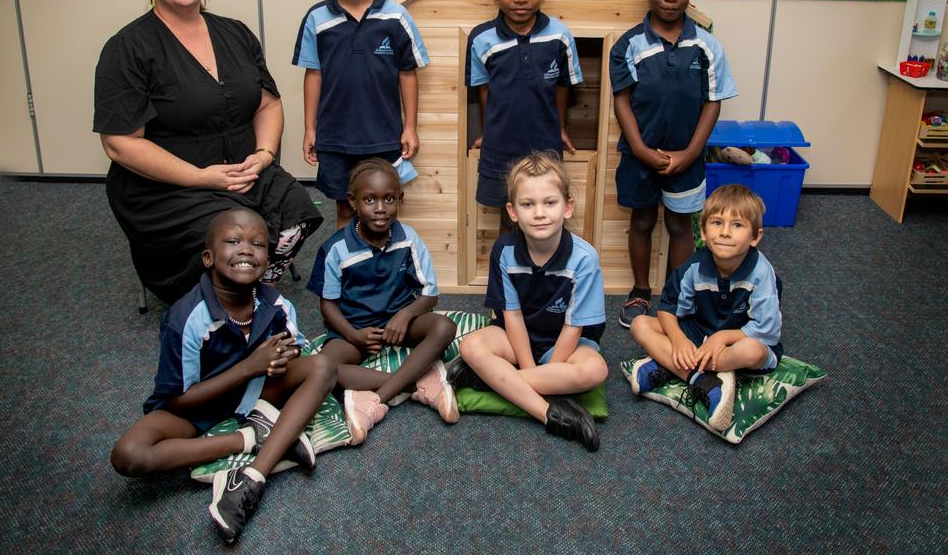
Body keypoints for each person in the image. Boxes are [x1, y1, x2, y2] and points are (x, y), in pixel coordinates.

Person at [94, 0, 322, 303]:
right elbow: (119, 144)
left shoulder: (235, 33)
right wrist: (201, 178)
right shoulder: (128, 48)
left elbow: (268, 103)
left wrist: (264, 155)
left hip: (241, 170)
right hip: (168, 186)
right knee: (234, 235)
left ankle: (252, 288)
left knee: (300, 211)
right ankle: (227, 304)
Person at [110, 209, 338, 544]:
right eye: (233, 241)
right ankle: (251, 439)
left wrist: (282, 358)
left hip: (256, 393)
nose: (246, 249)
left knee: (324, 366)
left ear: (268, 258)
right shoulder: (186, 317)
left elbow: (296, 350)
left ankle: (252, 478)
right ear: (208, 257)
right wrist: (251, 366)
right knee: (128, 454)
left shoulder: (277, 305)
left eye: (258, 244)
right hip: (193, 409)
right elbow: (179, 399)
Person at [610, 0, 737, 328]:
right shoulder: (628, 45)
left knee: (681, 226)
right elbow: (622, 101)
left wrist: (690, 152)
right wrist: (639, 148)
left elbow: (712, 103)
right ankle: (640, 292)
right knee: (643, 222)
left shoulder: (707, 46)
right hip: (640, 158)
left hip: (687, 159)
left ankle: (677, 296)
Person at [452, 152, 608, 452]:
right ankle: (547, 413)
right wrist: (536, 372)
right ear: (512, 212)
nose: (539, 213)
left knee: (595, 371)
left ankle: (494, 381)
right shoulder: (504, 250)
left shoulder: (585, 258)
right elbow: (511, 316)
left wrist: (537, 370)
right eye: (528, 204)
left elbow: (574, 327)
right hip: (516, 338)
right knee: (471, 346)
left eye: (550, 202)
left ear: (567, 207)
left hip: (567, 343)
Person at [307, 158, 458, 445]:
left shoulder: (408, 238)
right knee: (323, 367)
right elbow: (327, 305)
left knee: (444, 327)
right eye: (369, 200)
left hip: (399, 325)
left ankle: (377, 399)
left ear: (399, 199)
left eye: (389, 199)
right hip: (355, 331)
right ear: (353, 201)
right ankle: (420, 381)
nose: (380, 208)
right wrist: (354, 335)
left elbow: (430, 294)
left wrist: (405, 315)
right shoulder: (335, 248)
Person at [293, 0, 429, 230]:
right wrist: (309, 129)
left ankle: (383, 270)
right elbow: (313, 74)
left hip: (383, 136)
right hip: (335, 138)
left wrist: (410, 127)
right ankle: (347, 269)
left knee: (383, 210)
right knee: (344, 209)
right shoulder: (317, 19)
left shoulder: (396, 16)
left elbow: (408, 73)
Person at [628, 184, 782, 432]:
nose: (725, 233)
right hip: (699, 330)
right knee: (640, 325)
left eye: (738, 225)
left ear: (756, 237)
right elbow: (667, 309)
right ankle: (704, 379)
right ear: (703, 230)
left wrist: (722, 337)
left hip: (740, 338)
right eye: (717, 223)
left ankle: (669, 365)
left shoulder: (762, 273)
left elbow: (768, 331)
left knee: (752, 352)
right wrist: (678, 340)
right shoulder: (695, 266)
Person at [466, 0, 583, 234]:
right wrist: (486, 130)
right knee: (509, 217)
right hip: (501, 146)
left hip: (545, 146)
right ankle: (510, 275)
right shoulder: (481, 38)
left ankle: (542, 276)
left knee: (547, 216)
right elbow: (484, 91)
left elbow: (562, 87)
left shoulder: (560, 35)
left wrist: (561, 127)